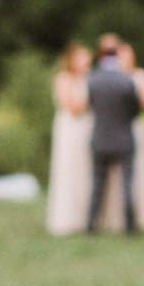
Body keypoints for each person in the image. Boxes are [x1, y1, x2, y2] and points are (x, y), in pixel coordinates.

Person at [97, 42, 144, 232]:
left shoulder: (140, 76)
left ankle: (137, 217)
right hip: (112, 129)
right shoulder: (110, 78)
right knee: (113, 180)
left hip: (135, 126)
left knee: (137, 174)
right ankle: (111, 219)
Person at [85, 36, 142, 234]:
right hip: (124, 138)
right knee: (127, 184)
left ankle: (91, 225)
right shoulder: (127, 80)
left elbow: (90, 106)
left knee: (97, 185)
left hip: (99, 138)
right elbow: (136, 110)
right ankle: (129, 226)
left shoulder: (92, 79)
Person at [44, 44, 93, 236]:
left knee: (86, 171)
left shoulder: (90, 78)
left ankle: (85, 217)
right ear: (72, 60)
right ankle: (68, 218)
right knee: (69, 170)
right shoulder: (63, 78)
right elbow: (72, 107)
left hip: (88, 127)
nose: (87, 62)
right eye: (82, 58)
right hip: (71, 129)